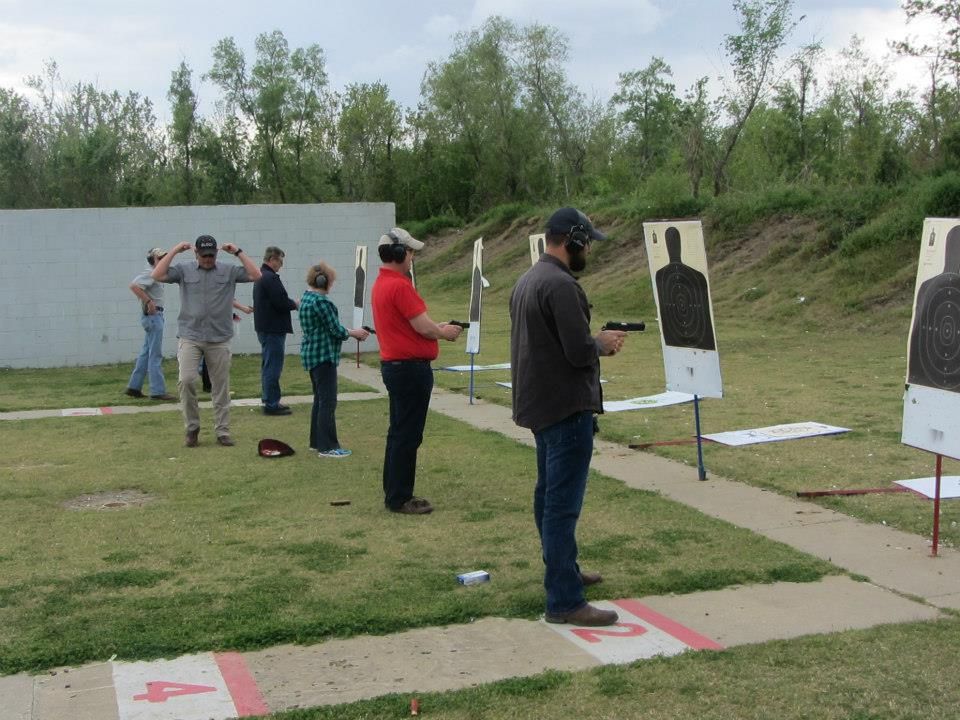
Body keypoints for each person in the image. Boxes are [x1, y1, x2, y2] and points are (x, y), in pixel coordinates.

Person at [509, 207, 627, 627]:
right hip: (565, 407)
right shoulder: (561, 286)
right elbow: (578, 351)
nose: (589, 249)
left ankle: (564, 570)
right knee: (561, 506)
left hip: (542, 405)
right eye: (587, 241)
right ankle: (564, 599)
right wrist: (602, 343)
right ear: (573, 240)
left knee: (548, 498)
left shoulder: (528, 280)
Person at [371, 227, 463, 514]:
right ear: (399, 253)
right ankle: (399, 497)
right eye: (409, 252)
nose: (412, 257)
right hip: (410, 370)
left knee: (399, 432)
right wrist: (444, 332)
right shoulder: (399, 286)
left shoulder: (382, 283)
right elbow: (423, 326)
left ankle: (395, 492)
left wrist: (436, 329)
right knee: (408, 434)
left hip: (397, 367)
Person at [151, 235, 261, 447]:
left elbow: (256, 274)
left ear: (216, 254)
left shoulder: (228, 270)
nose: (207, 259)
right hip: (190, 336)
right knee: (187, 380)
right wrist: (174, 250)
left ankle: (222, 431)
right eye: (204, 256)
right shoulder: (184, 269)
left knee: (220, 386)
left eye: (211, 255)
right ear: (196, 253)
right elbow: (157, 274)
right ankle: (192, 429)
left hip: (219, 338)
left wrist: (237, 252)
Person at [299, 261, 370, 457]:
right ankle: (328, 446)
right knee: (328, 402)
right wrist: (354, 333)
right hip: (324, 356)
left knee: (319, 401)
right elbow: (335, 330)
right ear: (324, 281)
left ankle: (316, 442)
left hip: (312, 355)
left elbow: (328, 328)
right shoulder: (322, 302)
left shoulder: (306, 298)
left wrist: (352, 331)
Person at [124, 247, 176, 401]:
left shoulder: (156, 274)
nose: (163, 261)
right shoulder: (151, 273)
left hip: (153, 317)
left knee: (146, 353)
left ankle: (134, 387)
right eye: (159, 258)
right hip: (154, 316)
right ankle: (157, 390)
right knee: (155, 354)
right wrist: (148, 301)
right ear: (152, 260)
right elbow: (134, 286)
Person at [253, 246, 298, 415]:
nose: (281, 264)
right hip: (273, 328)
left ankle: (270, 399)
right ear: (272, 259)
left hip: (265, 327)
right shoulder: (270, 278)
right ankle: (271, 403)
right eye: (280, 261)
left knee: (268, 365)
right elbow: (280, 302)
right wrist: (295, 304)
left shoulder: (260, 275)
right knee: (273, 366)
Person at [200, 300, 253, 392]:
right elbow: (228, 299)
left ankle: (208, 385)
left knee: (208, 355)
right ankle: (211, 385)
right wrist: (244, 309)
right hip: (214, 324)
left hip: (208, 322)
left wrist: (232, 315)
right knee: (214, 355)